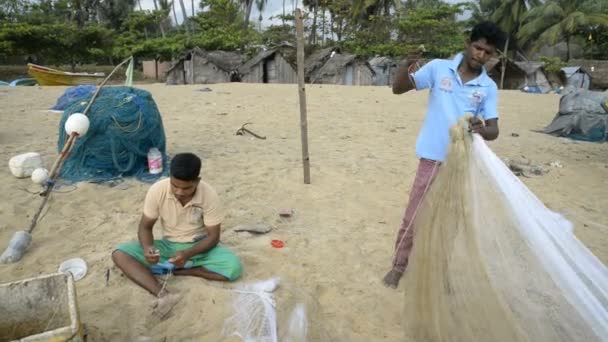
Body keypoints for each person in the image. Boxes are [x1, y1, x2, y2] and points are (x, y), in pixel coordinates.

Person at [383, 21, 506, 289]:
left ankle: (439, 270)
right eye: (477, 48)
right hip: (431, 157)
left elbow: (494, 129)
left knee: (448, 221)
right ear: (468, 43)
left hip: (461, 162)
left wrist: (482, 128)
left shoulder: (488, 87)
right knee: (413, 216)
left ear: (493, 54)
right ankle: (398, 267)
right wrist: (406, 65)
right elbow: (398, 88)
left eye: (488, 52)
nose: (481, 55)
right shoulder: (439, 69)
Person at [112, 153, 243, 318]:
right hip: (169, 247)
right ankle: (163, 294)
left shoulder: (209, 194)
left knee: (234, 268)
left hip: (199, 247)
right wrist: (149, 248)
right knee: (120, 253)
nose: (180, 192)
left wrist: (187, 254)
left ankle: (181, 271)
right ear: (170, 177)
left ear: (197, 181)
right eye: (175, 185)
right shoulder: (157, 190)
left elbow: (213, 237)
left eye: (187, 188)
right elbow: (145, 227)